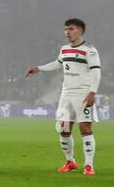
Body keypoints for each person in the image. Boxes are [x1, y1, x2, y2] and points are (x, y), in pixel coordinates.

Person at [25, 17, 100, 175]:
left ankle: (89, 165)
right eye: (65, 29)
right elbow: (57, 63)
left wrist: (92, 92)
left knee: (85, 127)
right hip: (66, 95)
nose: (67, 32)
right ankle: (70, 161)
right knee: (64, 129)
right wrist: (39, 68)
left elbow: (96, 72)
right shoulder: (64, 48)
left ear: (80, 30)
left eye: (71, 29)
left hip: (83, 94)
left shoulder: (90, 50)